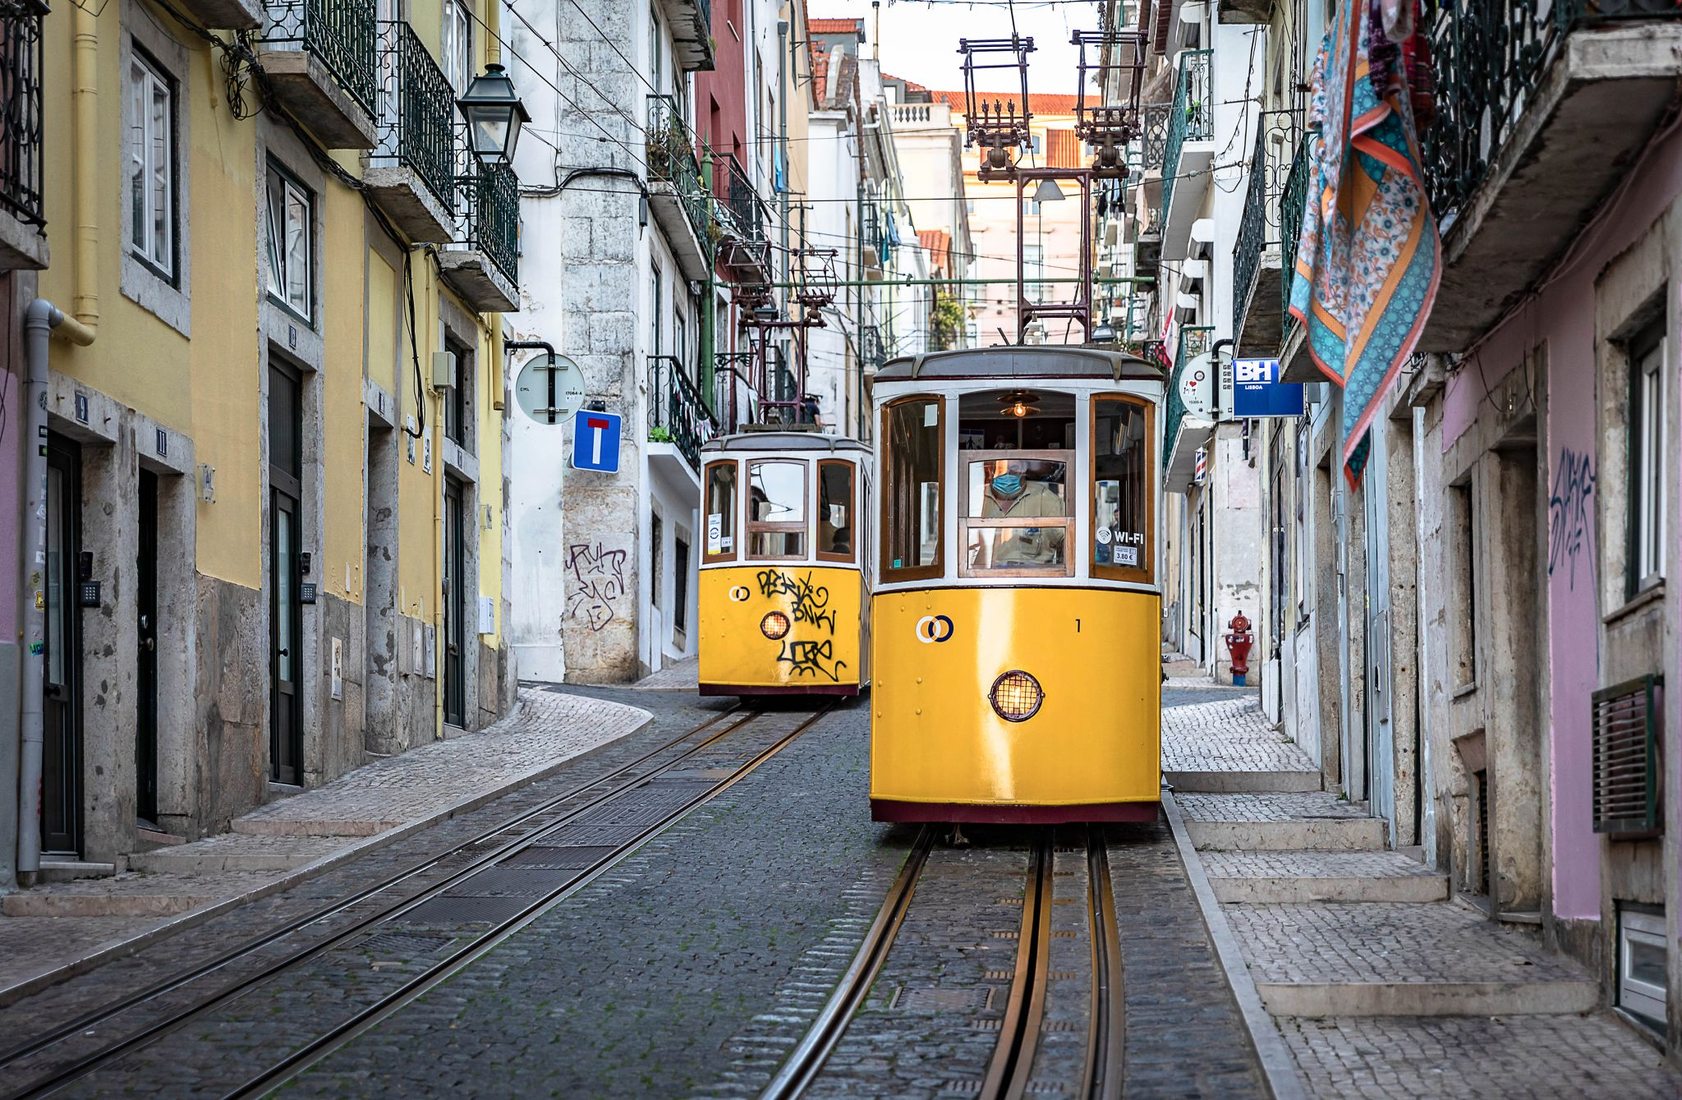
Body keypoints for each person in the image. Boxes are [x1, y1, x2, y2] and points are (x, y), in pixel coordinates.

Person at [980, 459, 1065, 566]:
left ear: (1023, 469)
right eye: (1001, 468)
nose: (1007, 474)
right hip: (984, 577)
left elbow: (1067, 540)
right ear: (991, 470)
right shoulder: (979, 497)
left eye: (1013, 468)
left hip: (1031, 579)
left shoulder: (1043, 498)